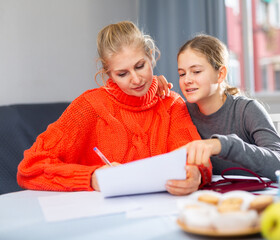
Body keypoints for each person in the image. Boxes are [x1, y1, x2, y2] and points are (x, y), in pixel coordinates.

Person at [17, 21, 212, 195]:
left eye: (140, 66)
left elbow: (195, 158)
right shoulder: (89, 107)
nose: (136, 80)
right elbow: (30, 168)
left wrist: (197, 175)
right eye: (122, 73)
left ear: (151, 56)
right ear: (108, 73)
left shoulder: (172, 104)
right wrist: (91, 178)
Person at [176, 34, 280, 182]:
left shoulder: (246, 110)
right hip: (208, 198)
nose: (187, 80)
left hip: (253, 197)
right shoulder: (182, 113)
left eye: (196, 71)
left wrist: (223, 145)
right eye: (182, 73)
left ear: (220, 74)